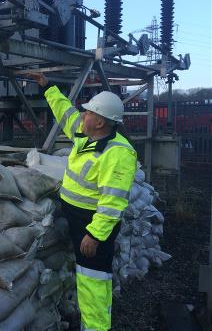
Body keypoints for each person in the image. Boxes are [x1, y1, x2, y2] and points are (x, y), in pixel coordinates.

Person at [28, 72, 137, 331]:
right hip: (77, 219)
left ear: (100, 122)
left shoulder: (118, 154)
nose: (82, 115)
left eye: (88, 113)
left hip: (92, 225)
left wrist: (95, 235)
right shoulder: (85, 134)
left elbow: (113, 203)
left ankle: (96, 327)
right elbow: (65, 112)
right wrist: (48, 86)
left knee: (93, 279)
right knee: (85, 275)